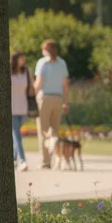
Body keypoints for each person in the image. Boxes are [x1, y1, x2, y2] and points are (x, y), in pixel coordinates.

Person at [34, 39, 69, 170]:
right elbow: (65, 85)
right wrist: (66, 101)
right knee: (54, 131)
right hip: (58, 99)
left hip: (45, 98)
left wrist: (30, 97)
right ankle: (56, 159)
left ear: (46, 50)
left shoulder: (42, 63)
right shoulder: (62, 63)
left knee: (43, 131)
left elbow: (39, 83)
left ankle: (45, 161)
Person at [10, 51, 31, 172]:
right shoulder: (9, 72)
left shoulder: (26, 72)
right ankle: (22, 161)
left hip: (23, 107)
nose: (23, 61)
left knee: (16, 135)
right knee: (17, 135)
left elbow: (30, 88)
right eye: (21, 58)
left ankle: (12, 159)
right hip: (12, 108)